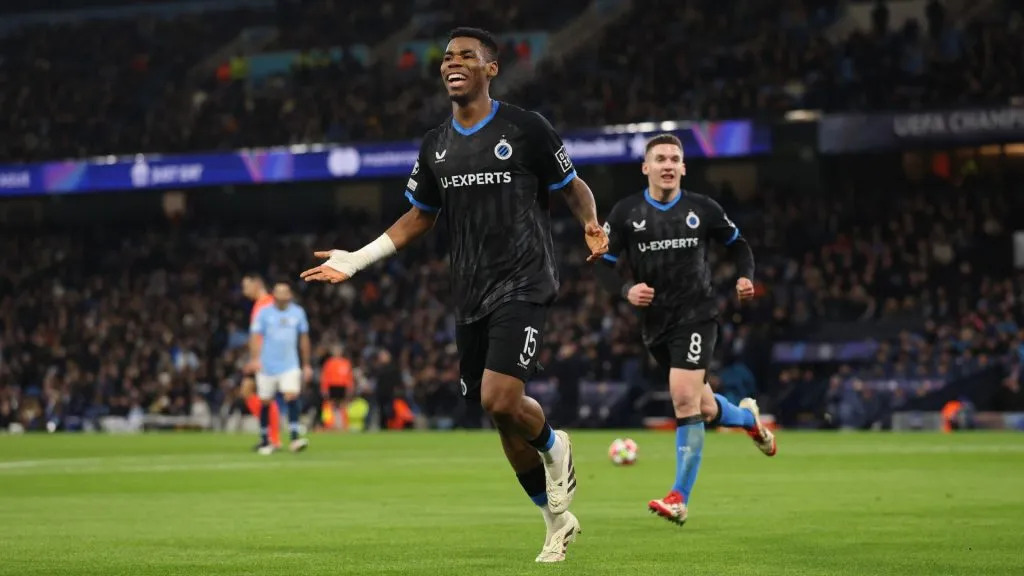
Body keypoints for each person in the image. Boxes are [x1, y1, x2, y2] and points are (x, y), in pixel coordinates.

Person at [300, 27, 608, 563]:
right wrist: (355, 259)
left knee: (499, 398)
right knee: (499, 415)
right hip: (469, 293)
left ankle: (556, 445)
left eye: (467, 55)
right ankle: (555, 522)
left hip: (526, 281)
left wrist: (591, 222)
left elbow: (572, 184)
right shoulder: (436, 143)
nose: (453, 63)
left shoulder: (527, 128)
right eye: (446, 57)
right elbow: (420, 215)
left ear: (491, 68)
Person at [594, 134, 776, 527]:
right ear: (646, 167)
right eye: (659, 158)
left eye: (675, 158)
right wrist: (627, 290)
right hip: (655, 325)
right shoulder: (626, 213)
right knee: (706, 407)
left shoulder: (702, 208)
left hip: (697, 316)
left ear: (683, 167)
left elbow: (738, 244)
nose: (668, 165)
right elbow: (601, 264)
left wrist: (746, 277)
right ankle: (748, 420)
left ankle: (679, 498)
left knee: (683, 400)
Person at [246, 281, 313, 455]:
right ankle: (265, 440)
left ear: (289, 295)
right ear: (273, 295)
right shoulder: (264, 313)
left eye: (285, 292)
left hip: (290, 364)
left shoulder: (298, 313)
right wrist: (255, 359)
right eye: (278, 292)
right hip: (266, 364)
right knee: (265, 401)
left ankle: (295, 437)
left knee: (291, 396)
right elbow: (255, 336)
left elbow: (304, 339)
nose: (282, 296)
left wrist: (306, 364)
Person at [241, 275, 281, 450]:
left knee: (263, 395)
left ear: (257, 283)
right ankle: (269, 436)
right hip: (262, 356)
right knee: (250, 391)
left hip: (267, 356)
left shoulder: (268, 303)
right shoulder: (261, 304)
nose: (244, 291)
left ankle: (273, 438)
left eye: (246, 286)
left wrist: (259, 358)